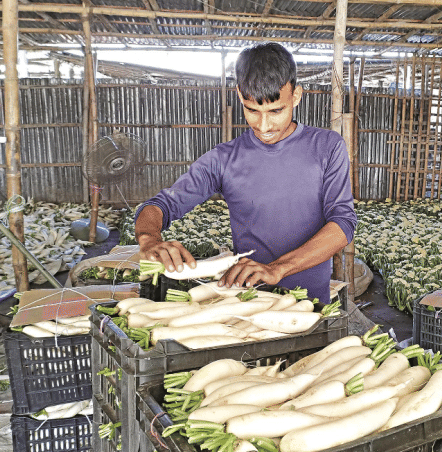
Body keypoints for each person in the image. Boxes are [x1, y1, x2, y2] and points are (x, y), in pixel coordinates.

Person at [134, 42, 357, 303]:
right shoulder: (223, 160)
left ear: (296, 96)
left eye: (276, 111)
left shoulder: (327, 147)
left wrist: (278, 269)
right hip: (247, 304)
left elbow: (343, 223)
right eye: (252, 110)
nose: (264, 126)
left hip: (311, 306)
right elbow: (159, 206)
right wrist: (149, 239)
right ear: (240, 95)